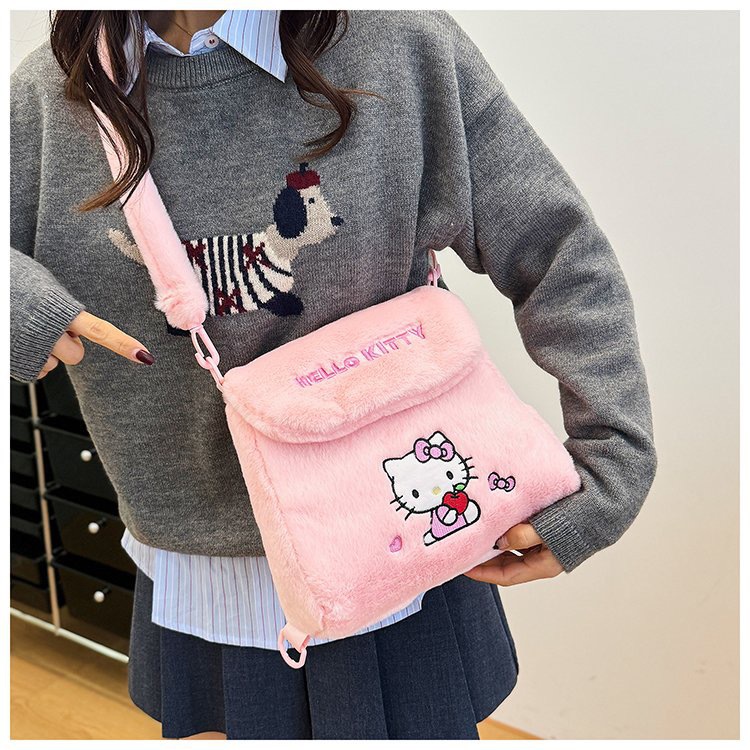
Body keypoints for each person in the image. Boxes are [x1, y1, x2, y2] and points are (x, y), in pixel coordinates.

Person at [9, 9, 657, 740]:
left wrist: (613, 465)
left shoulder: (400, 44)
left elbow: (559, 251)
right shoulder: (48, 98)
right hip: (200, 574)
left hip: (408, 546)